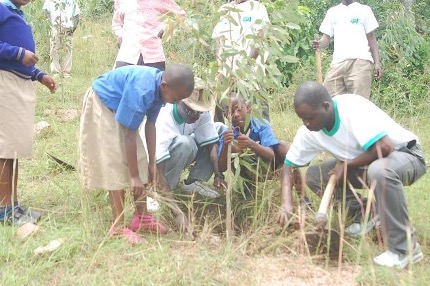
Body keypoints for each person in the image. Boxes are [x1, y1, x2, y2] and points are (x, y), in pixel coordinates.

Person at [278, 81, 426, 269]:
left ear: (326, 106)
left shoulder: (351, 109)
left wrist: (348, 166)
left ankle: (405, 250)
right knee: (315, 176)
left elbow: (385, 147)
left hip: (405, 155)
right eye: (302, 119)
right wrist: (286, 202)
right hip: (370, 163)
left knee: (379, 171)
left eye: (310, 118)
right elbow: (288, 166)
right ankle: (367, 215)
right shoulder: (309, 131)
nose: (306, 124)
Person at [79, 64, 194, 244]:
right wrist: (133, 177)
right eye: (176, 98)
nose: (175, 102)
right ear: (165, 86)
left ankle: (142, 218)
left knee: (140, 159)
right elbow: (129, 135)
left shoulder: (161, 91)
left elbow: (150, 125)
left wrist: (151, 163)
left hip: (121, 108)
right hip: (103, 104)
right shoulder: (142, 90)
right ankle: (117, 226)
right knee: (115, 162)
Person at [0, 0, 57, 226]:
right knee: (5, 148)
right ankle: (4, 209)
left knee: (14, 147)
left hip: (19, 82)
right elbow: (14, 53)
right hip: (5, 83)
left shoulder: (17, 13)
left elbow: (22, 59)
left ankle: (12, 203)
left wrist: (38, 75)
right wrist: (18, 53)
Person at [154, 78, 226, 230]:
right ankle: (160, 194)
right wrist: (177, 213)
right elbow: (156, 167)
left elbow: (211, 143)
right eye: (190, 110)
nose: (195, 116)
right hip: (154, 165)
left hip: (183, 150)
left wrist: (218, 174)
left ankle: (193, 182)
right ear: (178, 101)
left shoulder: (199, 113)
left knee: (220, 129)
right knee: (186, 144)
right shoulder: (163, 120)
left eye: (199, 112)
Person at [217, 95, 305, 201]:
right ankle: (247, 191)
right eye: (230, 112)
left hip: (270, 167)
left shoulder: (261, 124)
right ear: (226, 115)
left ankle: (303, 197)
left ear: (248, 108)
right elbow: (221, 168)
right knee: (233, 150)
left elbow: (271, 156)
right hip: (249, 171)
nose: (235, 115)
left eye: (239, 109)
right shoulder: (228, 134)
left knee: (282, 146)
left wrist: (251, 144)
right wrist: (227, 146)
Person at [211, 0, 271, 121]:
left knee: (259, 117)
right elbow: (219, 41)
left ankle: (264, 140)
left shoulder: (257, 8)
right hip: (227, 75)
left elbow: (259, 40)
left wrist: (244, 68)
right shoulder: (224, 9)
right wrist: (219, 66)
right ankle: (223, 138)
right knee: (228, 112)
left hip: (252, 75)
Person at [312, 0, 382, 99]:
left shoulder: (364, 10)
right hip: (337, 64)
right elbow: (326, 39)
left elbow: (371, 38)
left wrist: (377, 63)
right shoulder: (333, 12)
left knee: (358, 103)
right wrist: (319, 43)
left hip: (360, 62)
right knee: (328, 101)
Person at [112, 0, 186, 70]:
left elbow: (181, 15)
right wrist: (120, 35)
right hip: (127, 55)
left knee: (154, 83)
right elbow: (116, 23)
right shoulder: (121, 1)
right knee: (120, 82)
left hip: (153, 56)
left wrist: (165, 27)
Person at [43, 0, 80, 78]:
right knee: (54, 49)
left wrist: (73, 28)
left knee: (68, 49)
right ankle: (55, 72)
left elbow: (76, 14)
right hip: (55, 26)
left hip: (68, 27)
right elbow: (46, 11)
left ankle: (66, 72)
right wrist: (51, 23)